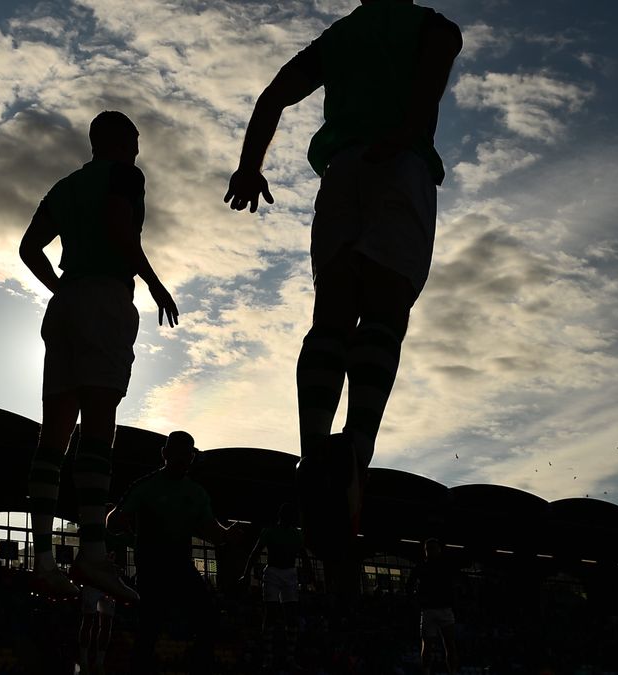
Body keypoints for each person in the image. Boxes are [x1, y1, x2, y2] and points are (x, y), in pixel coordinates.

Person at [223, 0, 463, 558]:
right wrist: (402, 135)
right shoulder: (434, 27)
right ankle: (356, 450)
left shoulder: (337, 38)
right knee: (384, 311)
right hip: (397, 165)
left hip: (340, 173)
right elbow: (426, 94)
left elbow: (272, 96)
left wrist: (249, 165)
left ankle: (313, 452)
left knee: (330, 312)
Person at [19, 110, 179, 601]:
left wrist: (61, 289)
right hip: (104, 298)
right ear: (122, 141)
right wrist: (153, 283)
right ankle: (92, 554)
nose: (137, 149)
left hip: (65, 306)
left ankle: (44, 559)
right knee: (98, 428)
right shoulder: (125, 175)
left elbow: (29, 248)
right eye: (134, 140)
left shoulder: (64, 187)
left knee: (53, 438)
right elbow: (119, 226)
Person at [106, 431, 242, 675]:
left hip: (180, 566)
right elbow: (114, 521)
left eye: (187, 455)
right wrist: (120, 522)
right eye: (179, 454)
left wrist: (229, 535)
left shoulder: (196, 493)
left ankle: (196, 664)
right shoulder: (144, 487)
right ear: (165, 454)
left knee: (208, 619)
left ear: (192, 458)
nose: (183, 460)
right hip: (152, 568)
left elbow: (213, 531)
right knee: (150, 627)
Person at [239, 503, 309, 672]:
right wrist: (246, 573)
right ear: (285, 516)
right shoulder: (270, 531)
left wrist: (308, 577)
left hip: (289, 573)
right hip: (273, 572)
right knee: (270, 613)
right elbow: (255, 553)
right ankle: (268, 656)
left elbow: (305, 557)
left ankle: (289, 657)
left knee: (291, 615)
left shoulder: (296, 534)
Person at [76, 504, 132, 675]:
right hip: (96, 581)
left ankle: (94, 661)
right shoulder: (96, 533)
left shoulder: (120, 536)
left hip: (106, 581)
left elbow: (121, 562)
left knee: (100, 623)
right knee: (92, 622)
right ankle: (88, 661)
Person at [406, 539, 458, 675]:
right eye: (428, 548)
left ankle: (448, 672)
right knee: (432, 645)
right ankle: (431, 671)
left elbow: (409, 586)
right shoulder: (423, 567)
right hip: (431, 610)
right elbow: (409, 586)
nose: (430, 551)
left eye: (432, 548)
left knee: (448, 645)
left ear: (438, 550)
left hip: (441, 609)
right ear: (426, 551)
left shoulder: (442, 566)